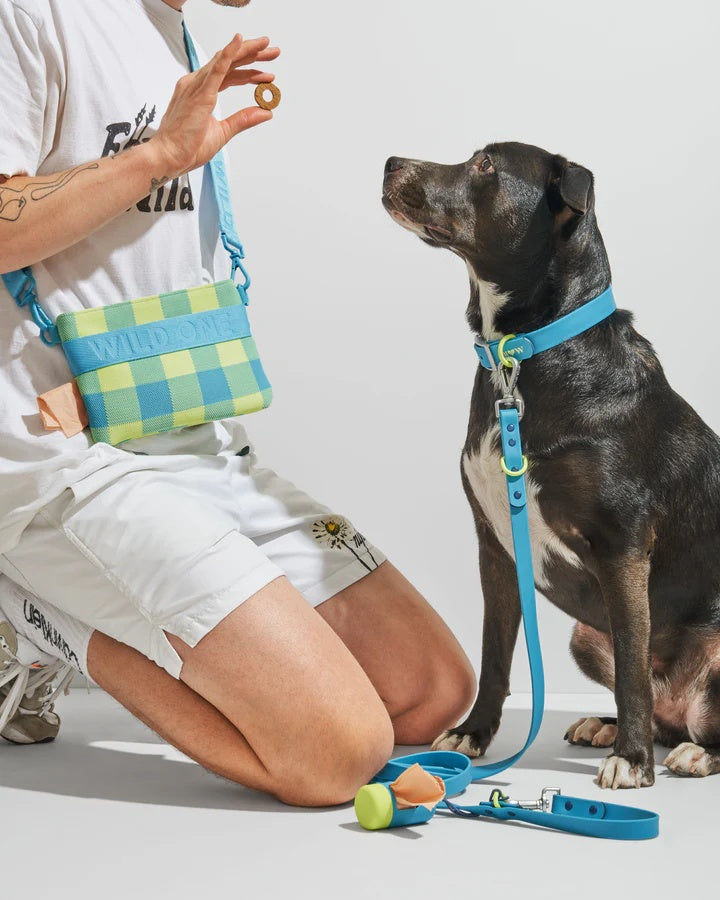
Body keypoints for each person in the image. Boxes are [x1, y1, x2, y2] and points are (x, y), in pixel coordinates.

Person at [0, 0, 476, 806]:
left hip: (188, 435)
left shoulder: (169, 28)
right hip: (61, 464)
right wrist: (156, 157)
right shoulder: (34, 12)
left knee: (431, 693)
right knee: (335, 757)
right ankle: (33, 613)